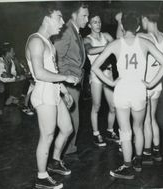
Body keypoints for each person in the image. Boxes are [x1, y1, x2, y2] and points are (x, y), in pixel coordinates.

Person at [92, 12, 163, 179]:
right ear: (139, 27)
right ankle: (138, 161)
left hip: (122, 90)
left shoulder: (115, 44)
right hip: (139, 91)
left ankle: (127, 167)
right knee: (139, 128)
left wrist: (111, 83)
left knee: (125, 132)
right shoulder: (145, 42)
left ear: (122, 26)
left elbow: (95, 67)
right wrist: (150, 83)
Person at [25, 4, 79, 189]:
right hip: (43, 91)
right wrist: (65, 78)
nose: (62, 22)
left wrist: (63, 90)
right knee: (47, 135)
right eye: (59, 17)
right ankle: (41, 177)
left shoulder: (49, 43)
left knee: (67, 128)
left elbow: (52, 71)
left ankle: (55, 161)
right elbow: (39, 73)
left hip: (54, 91)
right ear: (46, 19)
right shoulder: (35, 41)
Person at [116, 10, 163, 164]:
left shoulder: (144, 37)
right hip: (157, 83)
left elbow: (123, 38)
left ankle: (146, 153)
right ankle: (156, 152)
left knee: (145, 123)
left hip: (146, 84)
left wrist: (120, 22)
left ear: (145, 19)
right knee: (152, 119)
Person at [54, 2, 89, 155]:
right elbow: (58, 58)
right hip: (68, 82)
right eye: (84, 16)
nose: (87, 19)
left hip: (74, 80)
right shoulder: (67, 31)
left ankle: (67, 150)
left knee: (73, 116)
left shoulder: (75, 31)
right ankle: (63, 152)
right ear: (74, 15)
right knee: (69, 119)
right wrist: (64, 80)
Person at [83, 14, 119, 147]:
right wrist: (107, 48)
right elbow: (90, 51)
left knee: (113, 106)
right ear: (89, 25)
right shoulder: (87, 39)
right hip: (96, 76)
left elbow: (117, 44)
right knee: (96, 106)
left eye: (99, 22)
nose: (97, 24)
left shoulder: (107, 36)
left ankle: (110, 131)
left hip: (108, 74)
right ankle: (96, 134)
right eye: (94, 22)